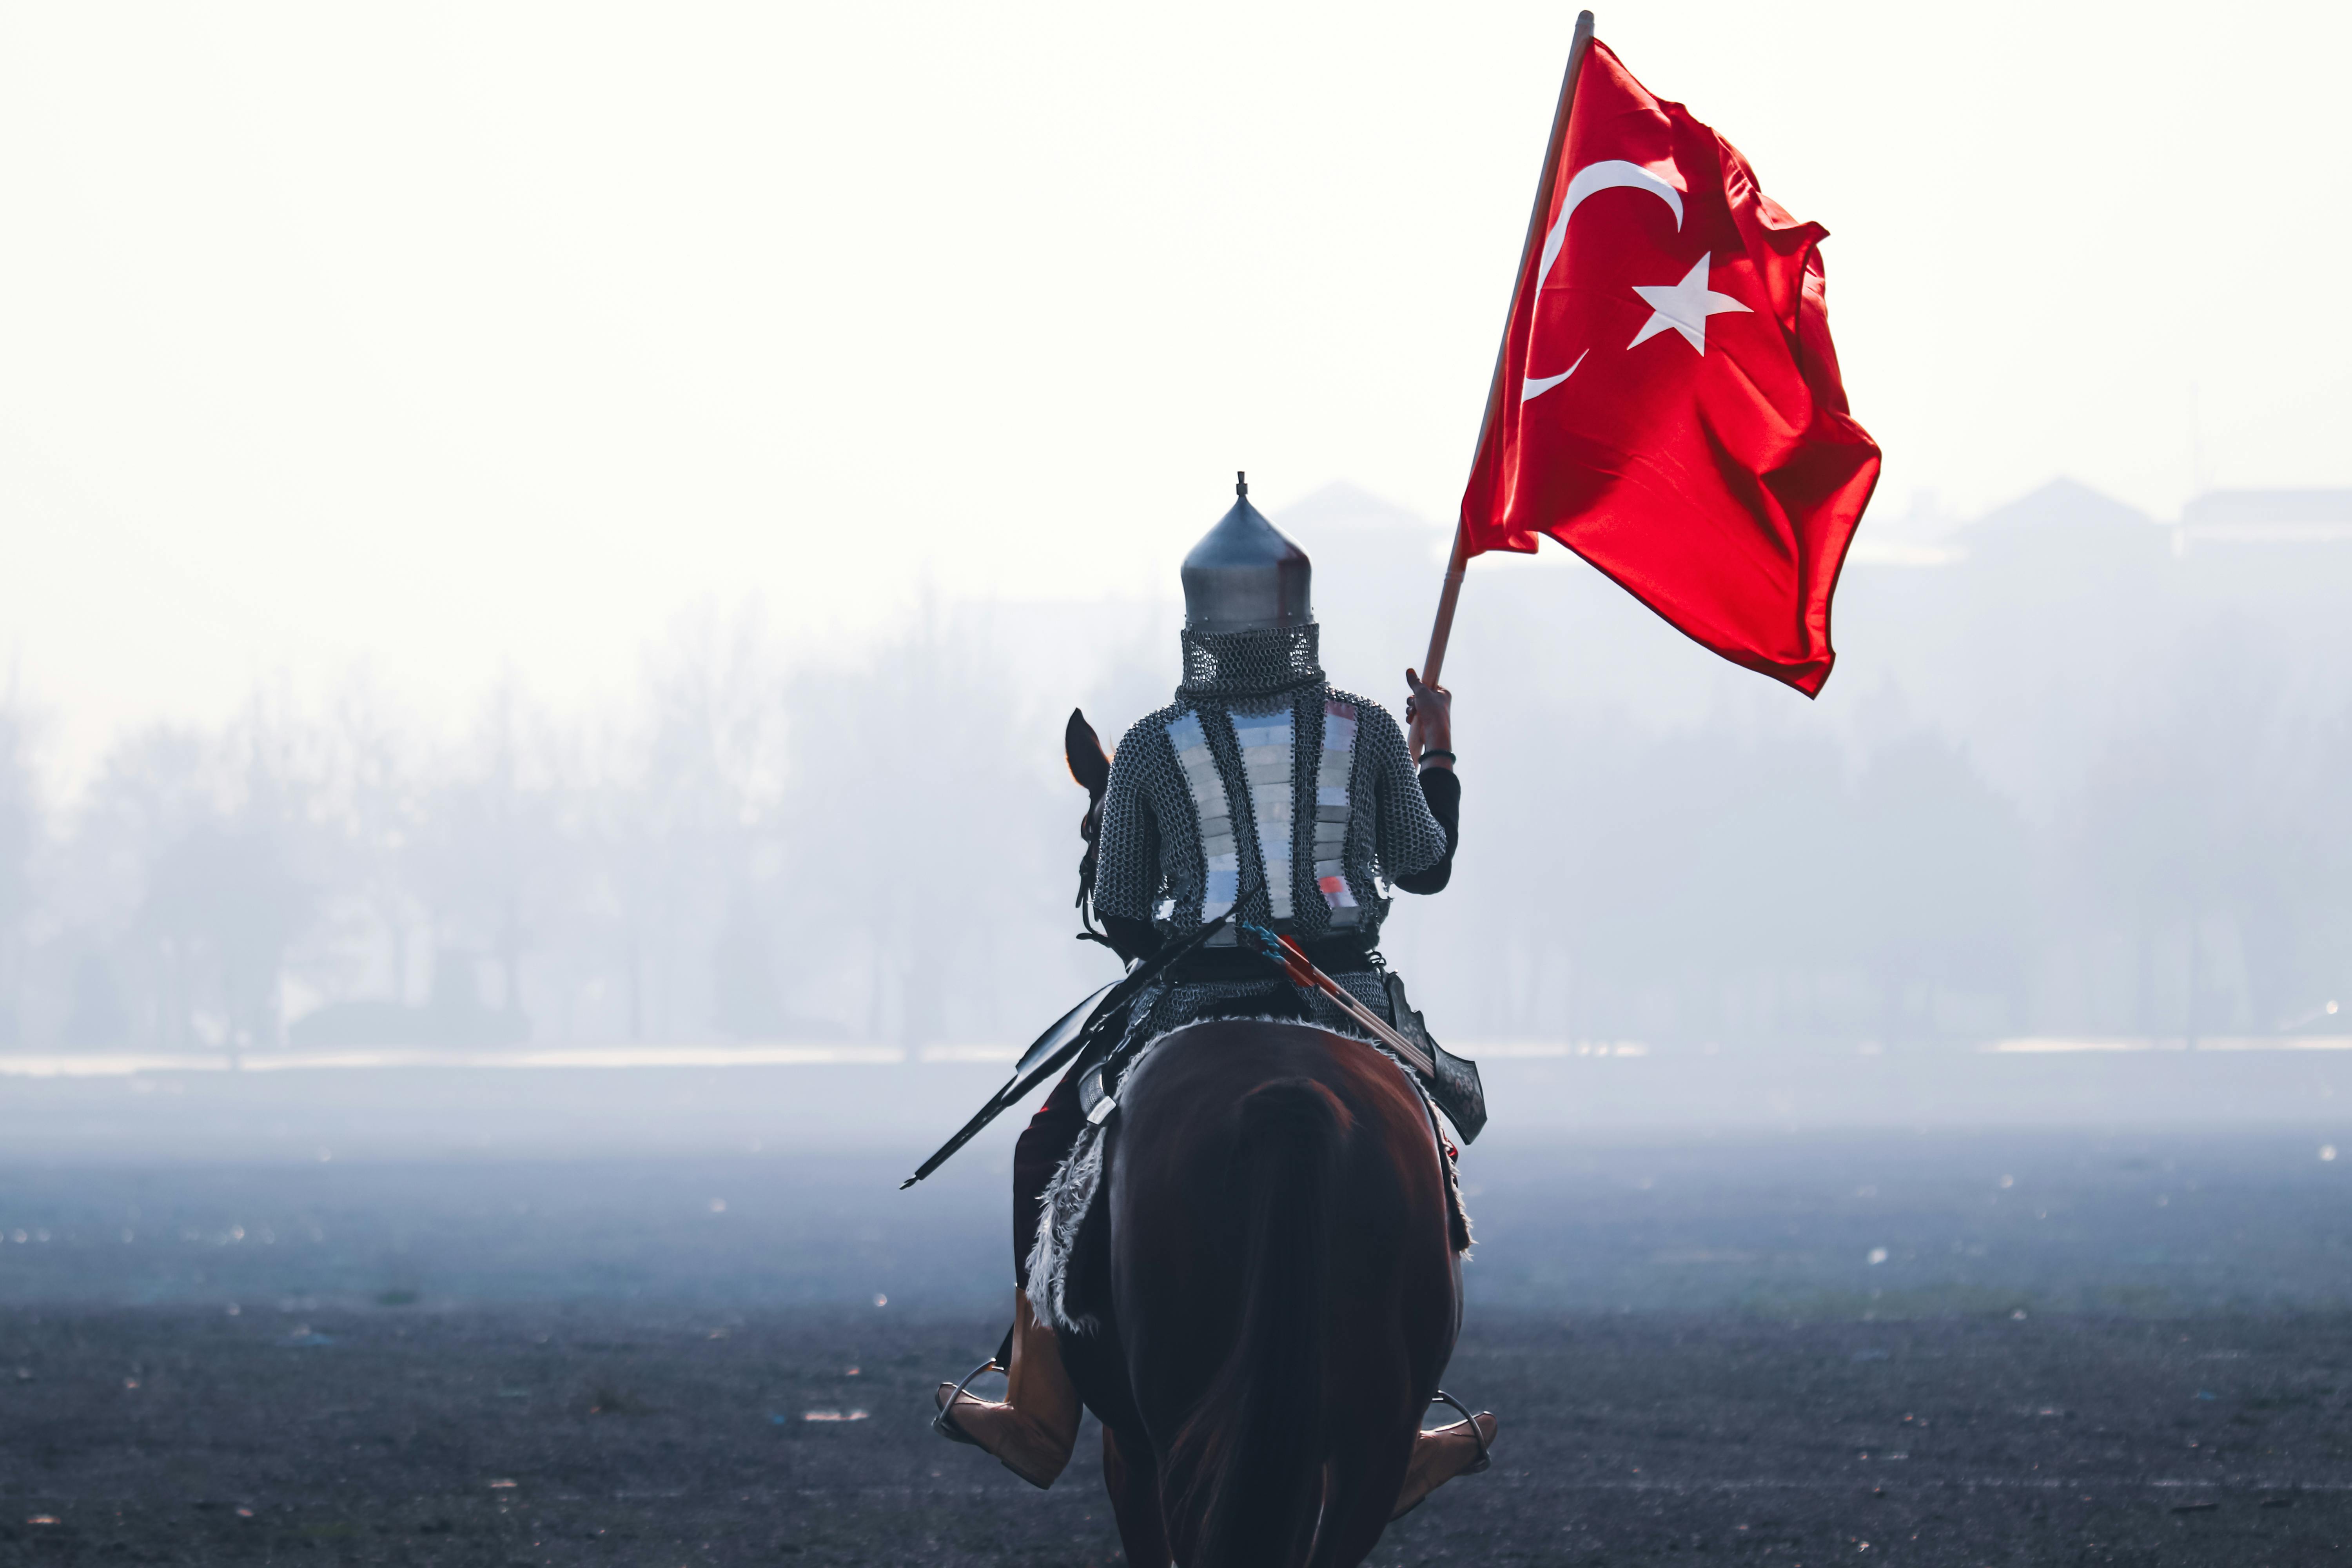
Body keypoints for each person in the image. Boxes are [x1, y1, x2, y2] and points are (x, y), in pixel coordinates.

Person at [936, 475, 1494, 1514]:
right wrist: (1436, 753)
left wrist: (1176, 928)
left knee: (1045, 1149)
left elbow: (1119, 906)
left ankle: (1038, 1407)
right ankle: (1402, 1422)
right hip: (1346, 999)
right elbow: (1427, 868)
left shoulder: (1150, 745)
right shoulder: (1370, 730)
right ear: (1298, 617)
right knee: (1419, 1153)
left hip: (1195, 999)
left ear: (1198, 619)